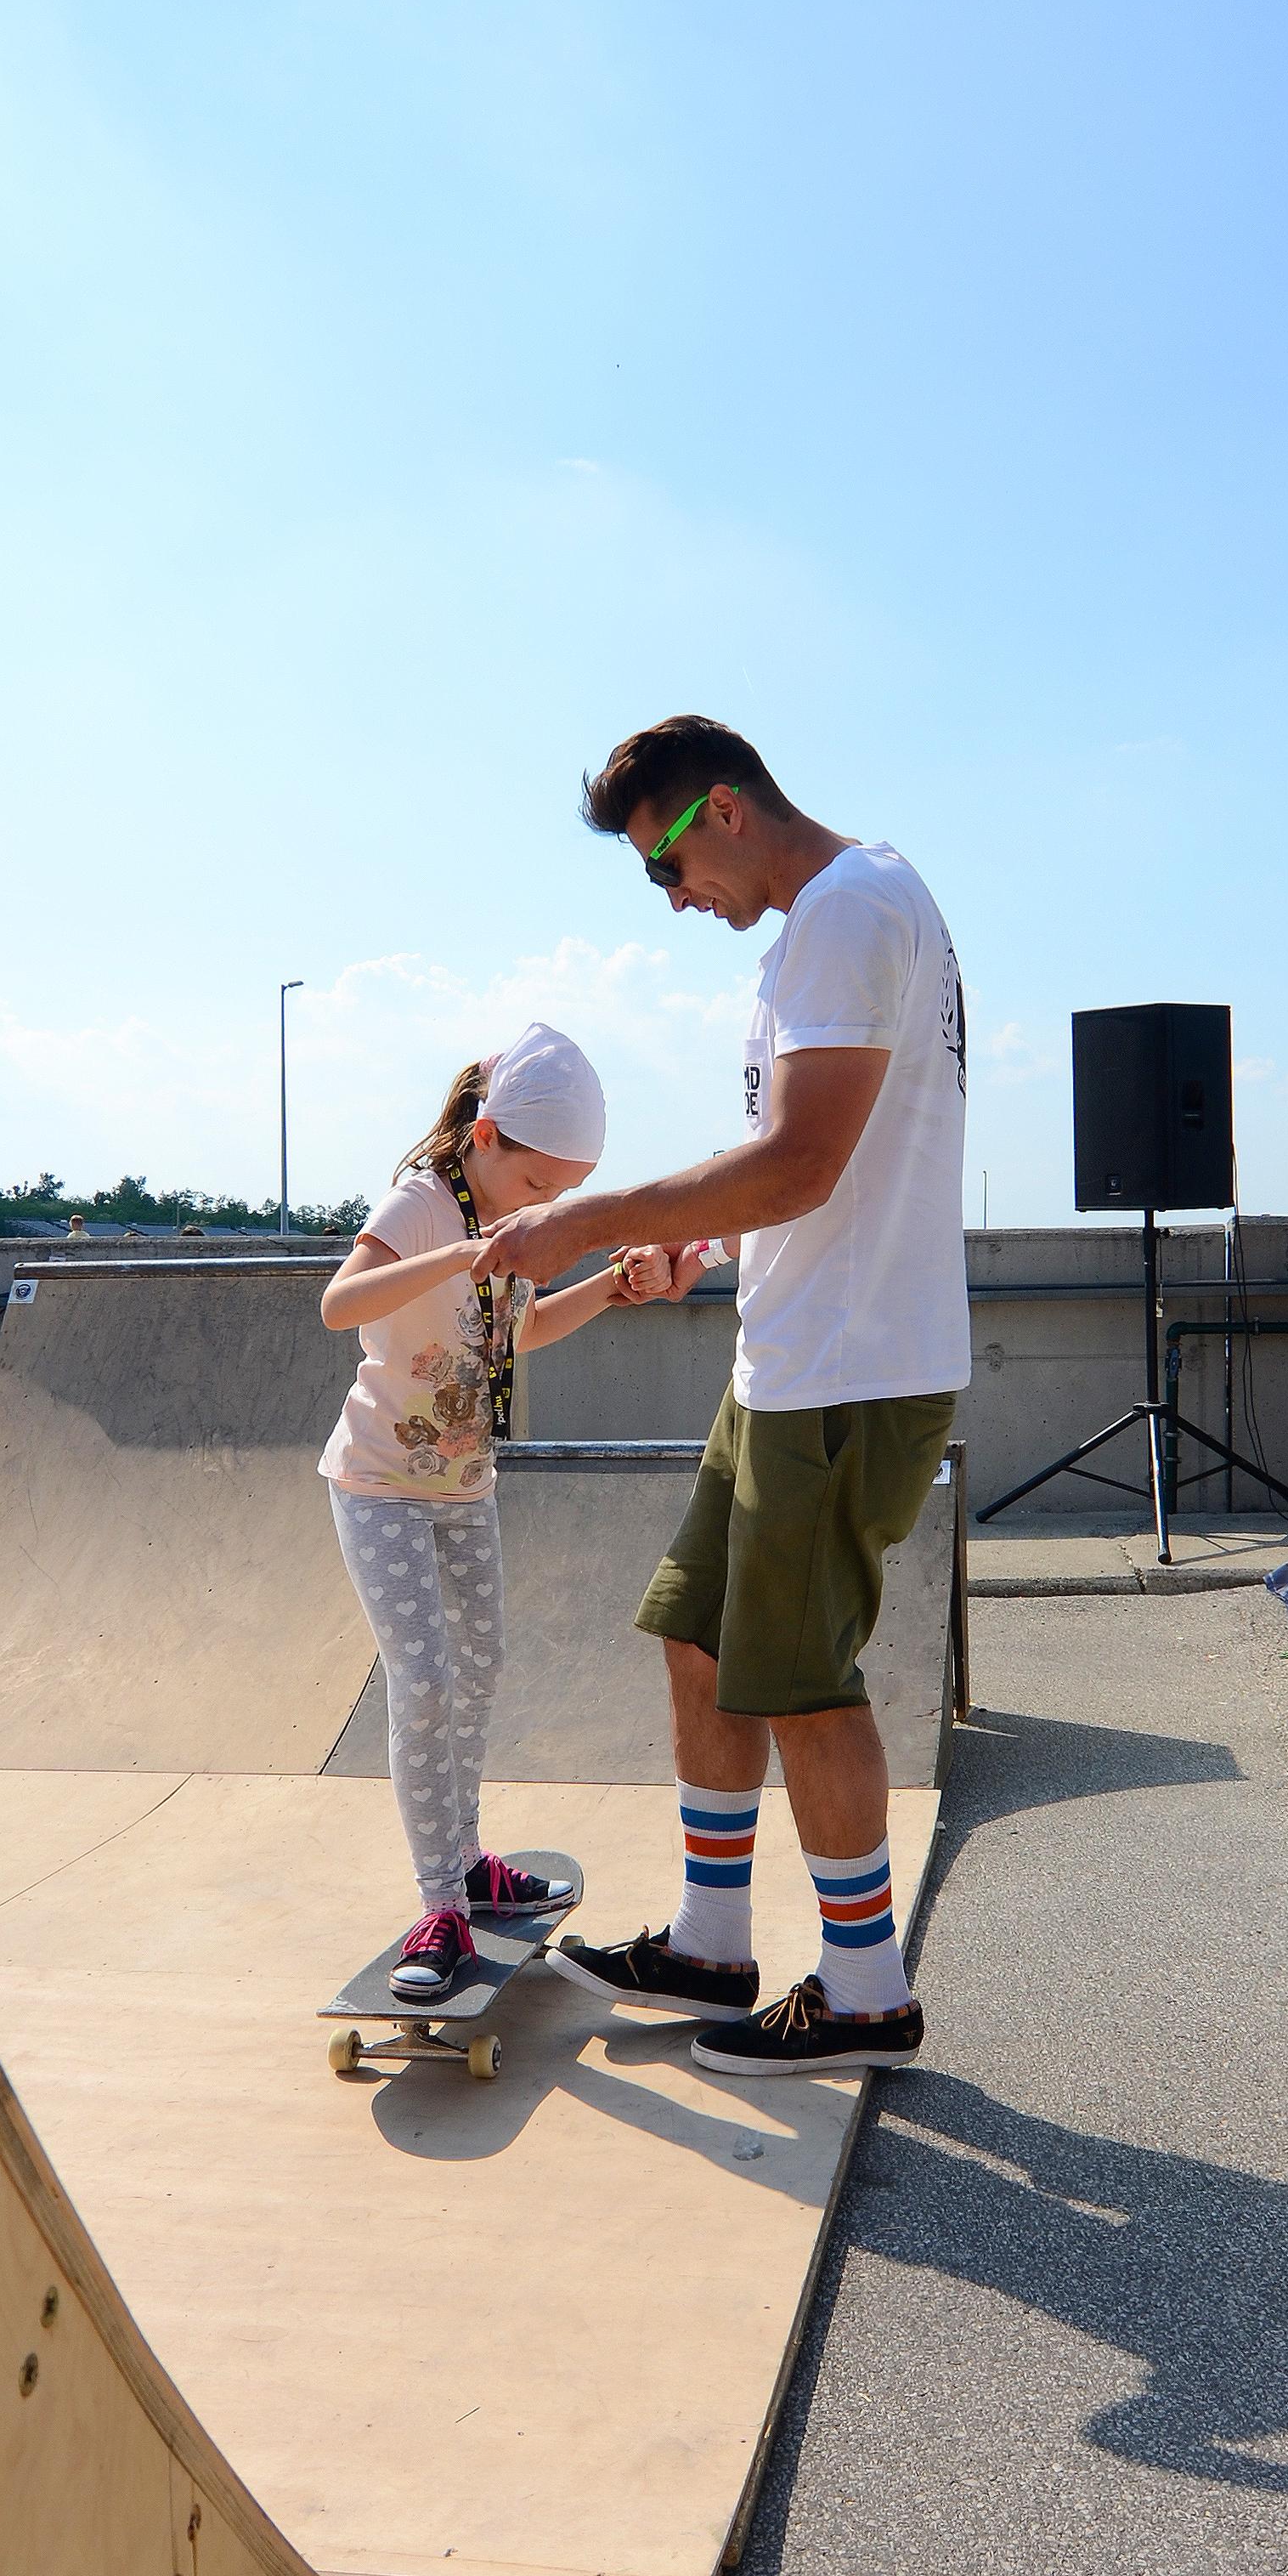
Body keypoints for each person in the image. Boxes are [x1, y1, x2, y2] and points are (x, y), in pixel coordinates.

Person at [481, 718, 969, 2078]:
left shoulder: (850, 909)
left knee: (804, 1681)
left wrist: (582, 1221)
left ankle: (865, 1989)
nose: (676, 899)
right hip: (787, 1360)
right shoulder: (831, 923)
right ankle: (708, 1935)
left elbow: (806, 1163)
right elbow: (790, 1171)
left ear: (725, 811)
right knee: (697, 1632)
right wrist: (704, 1238)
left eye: (666, 867)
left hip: (849, 1371)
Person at [319, 1023, 674, 2007]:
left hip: (465, 1490)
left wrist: (608, 1283)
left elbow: (525, 1329)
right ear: (485, 1138)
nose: (543, 1209)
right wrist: (463, 1255)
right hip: (381, 1485)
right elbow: (339, 1304)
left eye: (562, 1196)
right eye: (535, 1186)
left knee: (478, 1669)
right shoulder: (424, 1204)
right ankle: (440, 1900)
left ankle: (468, 1860)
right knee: (424, 1679)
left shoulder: (515, 1226)